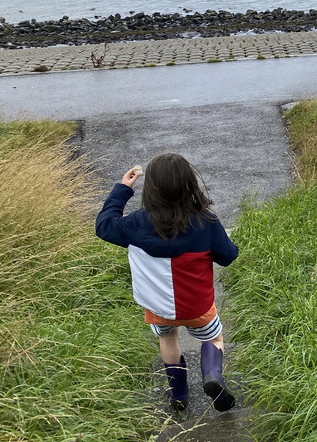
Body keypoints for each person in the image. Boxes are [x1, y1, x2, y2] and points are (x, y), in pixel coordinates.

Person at [95, 153, 239, 413]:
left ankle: (179, 394)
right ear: (189, 185)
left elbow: (104, 226)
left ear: (151, 189)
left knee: (169, 338)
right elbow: (227, 257)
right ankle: (212, 376)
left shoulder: (135, 224)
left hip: (158, 307)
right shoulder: (206, 221)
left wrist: (122, 190)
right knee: (214, 338)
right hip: (197, 307)